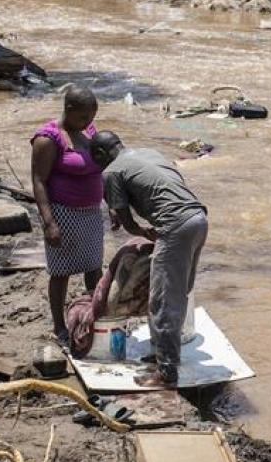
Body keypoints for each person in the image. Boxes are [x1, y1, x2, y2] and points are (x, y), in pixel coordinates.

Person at [91, 131, 208, 387]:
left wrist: (142, 231)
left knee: (163, 299)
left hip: (175, 226)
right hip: (198, 218)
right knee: (178, 293)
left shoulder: (111, 171)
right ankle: (161, 355)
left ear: (100, 154)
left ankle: (166, 372)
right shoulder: (148, 153)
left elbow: (128, 223)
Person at [31, 87, 103, 344]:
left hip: (92, 214)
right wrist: (49, 223)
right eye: (84, 117)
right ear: (69, 110)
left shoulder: (89, 131)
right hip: (63, 214)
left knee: (94, 269)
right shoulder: (48, 138)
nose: (89, 122)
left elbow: (101, 169)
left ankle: (93, 319)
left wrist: (113, 205)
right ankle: (59, 326)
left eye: (92, 117)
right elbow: (39, 181)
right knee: (61, 272)